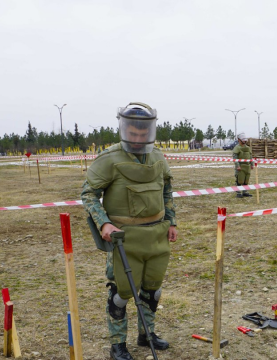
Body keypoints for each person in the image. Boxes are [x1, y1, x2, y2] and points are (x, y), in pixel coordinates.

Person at [81, 102, 177, 360]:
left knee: (152, 289)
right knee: (122, 294)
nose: (137, 139)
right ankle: (118, 346)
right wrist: (104, 222)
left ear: (150, 131)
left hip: (156, 236)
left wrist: (172, 221)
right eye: (133, 133)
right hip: (125, 240)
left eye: (142, 134)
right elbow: (88, 194)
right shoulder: (109, 159)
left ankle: (147, 334)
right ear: (124, 128)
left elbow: (166, 190)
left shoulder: (158, 156)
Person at [232, 133, 254, 198]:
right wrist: (237, 165)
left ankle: (245, 192)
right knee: (239, 180)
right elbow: (235, 158)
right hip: (240, 167)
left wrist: (251, 164)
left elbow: (250, 156)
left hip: (247, 167)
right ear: (239, 140)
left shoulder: (247, 148)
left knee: (246, 180)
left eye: (245, 140)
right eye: (243, 140)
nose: (245, 141)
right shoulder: (237, 148)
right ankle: (238, 192)